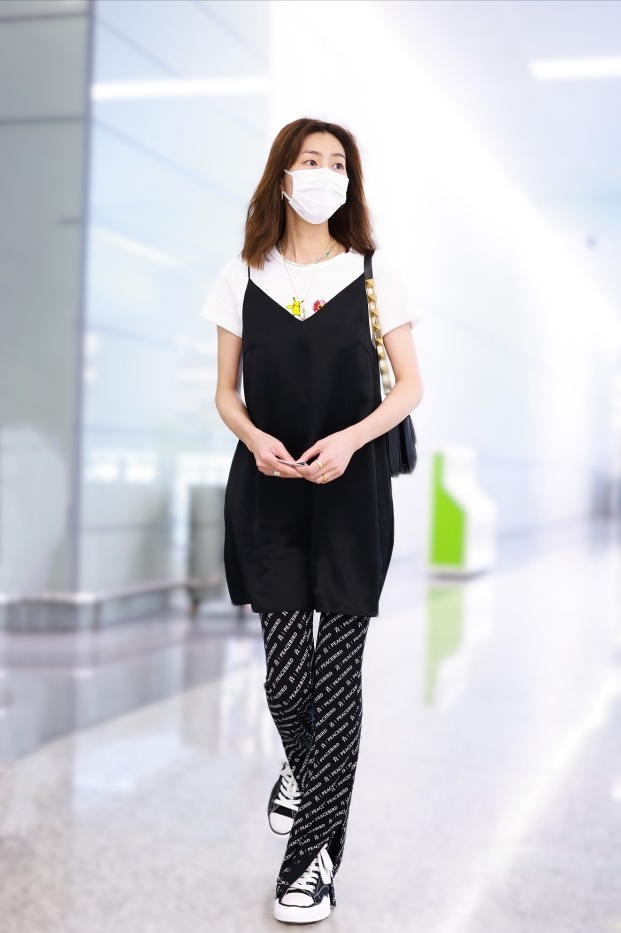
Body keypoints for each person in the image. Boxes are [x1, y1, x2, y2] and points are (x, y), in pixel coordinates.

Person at [202, 117, 424, 924]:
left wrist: (351, 440)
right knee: (284, 672)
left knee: (337, 677)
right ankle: (303, 769)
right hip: (269, 488)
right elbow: (226, 392)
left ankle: (310, 866)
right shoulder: (240, 274)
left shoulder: (373, 273)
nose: (326, 173)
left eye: (338, 163)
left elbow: (408, 387)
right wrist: (253, 437)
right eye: (311, 160)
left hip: (351, 489)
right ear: (283, 175)